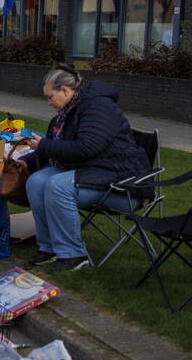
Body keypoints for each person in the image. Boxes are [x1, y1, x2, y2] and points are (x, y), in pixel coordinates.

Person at [21, 65, 150, 272]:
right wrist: (27, 160)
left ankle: (73, 255)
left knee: (57, 185)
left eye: (50, 97)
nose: (48, 102)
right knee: (36, 181)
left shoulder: (98, 108)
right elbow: (57, 145)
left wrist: (43, 145)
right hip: (92, 172)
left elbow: (86, 148)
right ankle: (49, 248)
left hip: (120, 181)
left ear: (64, 90)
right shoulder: (67, 113)